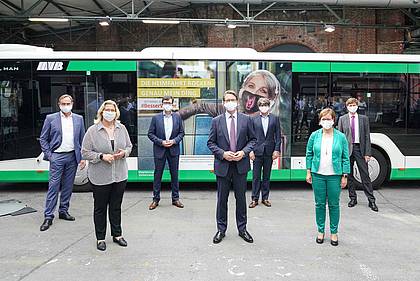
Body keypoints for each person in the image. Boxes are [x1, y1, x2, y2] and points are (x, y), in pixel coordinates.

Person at [81, 100, 132, 251]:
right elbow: (85, 152)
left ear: (117, 112)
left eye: (112, 109)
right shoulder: (93, 130)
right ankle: (100, 238)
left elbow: (129, 146)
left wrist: (124, 153)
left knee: (116, 207)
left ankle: (117, 234)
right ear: (101, 112)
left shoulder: (121, 128)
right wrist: (102, 156)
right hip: (100, 176)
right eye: (107, 109)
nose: (110, 112)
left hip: (120, 175)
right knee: (100, 208)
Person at [207, 90, 257, 244]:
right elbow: (210, 143)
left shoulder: (246, 120)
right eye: (227, 100)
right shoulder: (216, 121)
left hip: (240, 166)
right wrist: (223, 154)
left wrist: (244, 152)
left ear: (237, 102)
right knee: (222, 200)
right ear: (223, 103)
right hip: (223, 166)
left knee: (241, 199)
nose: (230, 102)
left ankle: (242, 229)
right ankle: (221, 229)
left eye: (232, 99)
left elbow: (253, 140)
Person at [39, 94, 85, 231]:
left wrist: (82, 157)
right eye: (63, 103)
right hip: (57, 157)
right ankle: (48, 216)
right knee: (53, 186)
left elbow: (82, 139)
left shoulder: (79, 119)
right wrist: (49, 155)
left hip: (72, 157)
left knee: (68, 186)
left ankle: (63, 211)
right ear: (59, 104)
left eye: (68, 103)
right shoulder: (51, 118)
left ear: (72, 103)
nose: (66, 106)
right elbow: (43, 138)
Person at [306, 108, 350, 246]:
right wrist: (308, 171)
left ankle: (334, 232)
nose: (326, 121)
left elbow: (345, 157)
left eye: (329, 119)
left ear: (333, 120)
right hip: (318, 174)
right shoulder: (314, 136)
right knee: (319, 204)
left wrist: (345, 175)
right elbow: (309, 154)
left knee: (334, 204)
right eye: (324, 119)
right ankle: (320, 230)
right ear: (320, 121)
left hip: (334, 175)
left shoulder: (340, 137)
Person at [338, 98, 378, 212]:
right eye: (350, 105)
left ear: (357, 106)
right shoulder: (342, 119)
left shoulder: (364, 119)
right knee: (349, 176)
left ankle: (371, 200)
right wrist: (341, 153)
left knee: (365, 175)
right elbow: (340, 137)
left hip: (360, 149)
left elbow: (367, 136)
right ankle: (352, 198)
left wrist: (367, 153)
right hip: (347, 150)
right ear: (347, 107)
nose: (352, 106)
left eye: (354, 104)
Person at [147, 95, 185, 210]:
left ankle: (175, 199)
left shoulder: (178, 117)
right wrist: (161, 142)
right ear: (162, 104)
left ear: (173, 104)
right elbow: (150, 134)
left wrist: (174, 141)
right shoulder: (156, 118)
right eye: (165, 102)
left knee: (174, 175)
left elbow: (182, 133)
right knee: (157, 175)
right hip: (160, 149)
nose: (167, 104)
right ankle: (155, 199)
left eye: (169, 102)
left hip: (174, 150)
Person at [249, 98, 281, 208]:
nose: (264, 106)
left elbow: (278, 136)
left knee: (267, 176)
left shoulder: (275, 118)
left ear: (269, 106)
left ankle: (265, 198)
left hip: (269, 152)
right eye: (261, 105)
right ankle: (254, 199)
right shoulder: (253, 119)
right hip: (257, 152)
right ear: (258, 106)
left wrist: (276, 150)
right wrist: (250, 151)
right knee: (256, 177)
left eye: (266, 104)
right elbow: (249, 136)